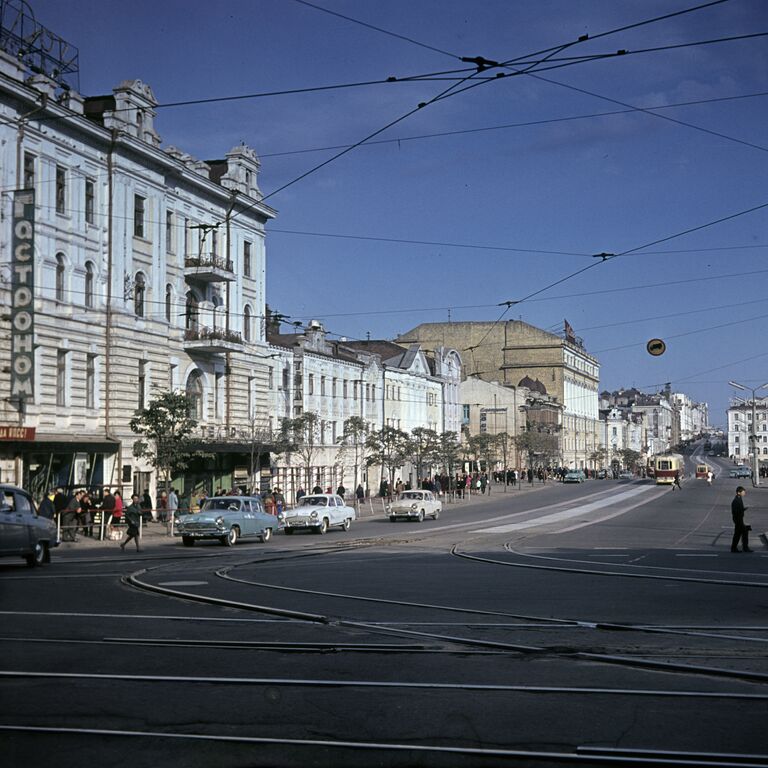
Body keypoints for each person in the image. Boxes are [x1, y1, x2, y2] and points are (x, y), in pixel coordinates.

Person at [731, 486, 752, 553]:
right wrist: (742, 510)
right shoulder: (736, 500)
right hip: (738, 520)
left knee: (738, 534)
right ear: (738, 492)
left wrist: (743, 509)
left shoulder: (739, 499)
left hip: (739, 520)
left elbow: (739, 509)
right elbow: (735, 511)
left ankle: (735, 548)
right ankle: (744, 548)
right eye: (743, 492)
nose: (744, 493)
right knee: (743, 533)